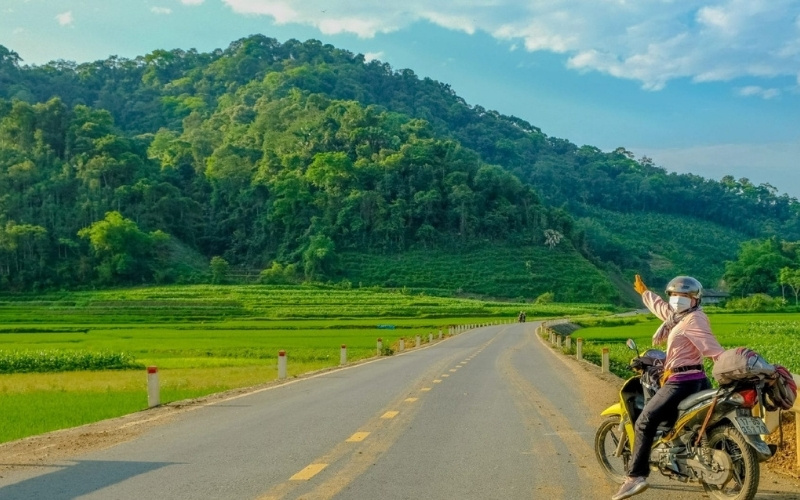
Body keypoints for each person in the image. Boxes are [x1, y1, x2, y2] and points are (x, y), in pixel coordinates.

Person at [612, 274, 724, 500]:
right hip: (697, 380)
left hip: (681, 383)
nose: (678, 298)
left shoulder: (694, 320)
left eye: (684, 295)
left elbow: (710, 347)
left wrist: (726, 362)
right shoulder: (680, 317)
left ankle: (635, 477)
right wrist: (645, 292)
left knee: (644, 421)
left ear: (695, 299)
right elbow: (662, 309)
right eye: (674, 294)